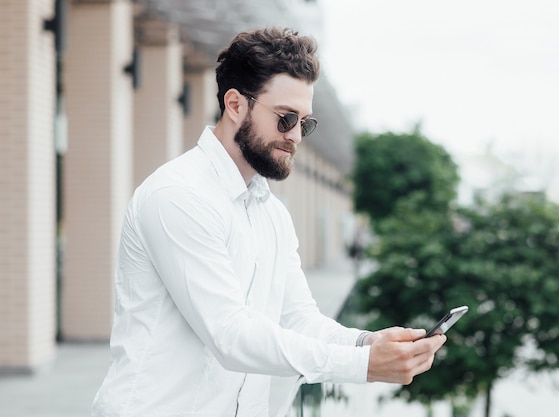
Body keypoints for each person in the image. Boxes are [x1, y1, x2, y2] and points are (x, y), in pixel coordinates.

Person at [91, 27, 446, 417]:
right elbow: (230, 335)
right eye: (285, 118)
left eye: (304, 123)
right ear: (235, 105)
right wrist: (361, 366)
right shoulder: (178, 195)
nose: (295, 136)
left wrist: (366, 343)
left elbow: (299, 319)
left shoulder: (270, 212)